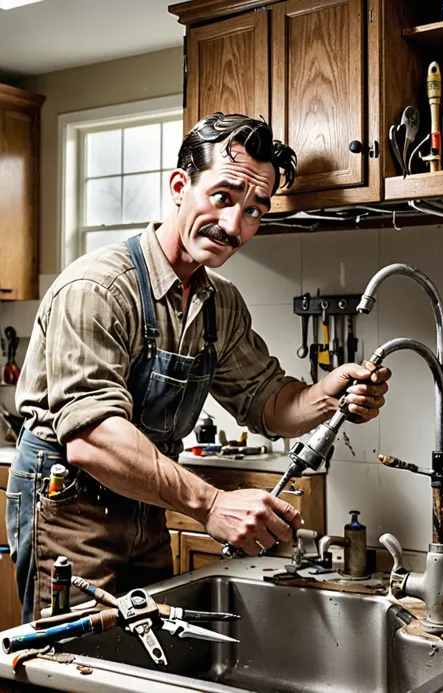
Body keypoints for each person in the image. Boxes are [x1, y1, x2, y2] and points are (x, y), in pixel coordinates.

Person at [7, 113, 391, 623]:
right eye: (224, 197)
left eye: (255, 210)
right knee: (76, 659)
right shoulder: (98, 289)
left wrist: (329, 395)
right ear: (180, 186)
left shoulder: (220, 305)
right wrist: (210, 504)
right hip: (69, 506)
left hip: (147, 504)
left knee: (149, 649)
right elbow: (92, 437)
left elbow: (267, 401)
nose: (235, 226)